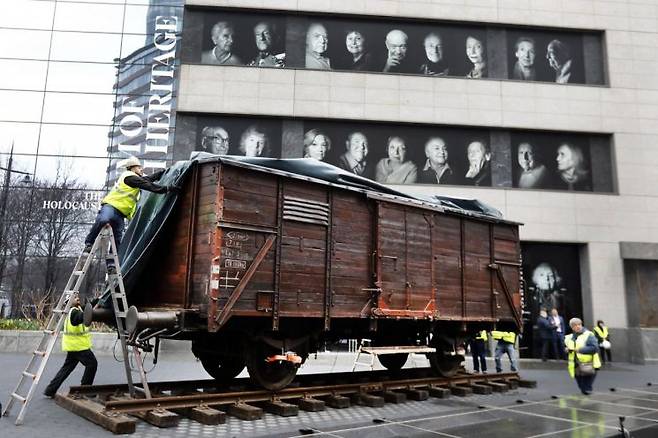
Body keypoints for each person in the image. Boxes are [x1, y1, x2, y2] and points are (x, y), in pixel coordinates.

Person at [84, 156, 174, 272]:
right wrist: (166, 189)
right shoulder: (129, 177)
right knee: (103, 220)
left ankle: (111, 265)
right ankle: (89, 243)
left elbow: (147, 180)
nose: (141, 169)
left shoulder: (134, 179)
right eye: (139, 167)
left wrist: (160, 173)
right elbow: (147, 185)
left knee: (117, 240)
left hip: (120, 214)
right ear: (132, 168)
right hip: (111, 206)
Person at [43, 294, 97, 398]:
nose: (78, 298)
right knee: (92, 364)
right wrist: (90, 313)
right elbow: (81, 317)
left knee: (66, 369)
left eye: (78, 296)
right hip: (79, 347)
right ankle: (85, 389)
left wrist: (98, 300)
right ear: (69, 302)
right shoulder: (74, 313)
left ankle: (50, 390)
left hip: (72, 346)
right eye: (75, 297)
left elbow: (87, 307)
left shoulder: (74, 310)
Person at [565, 317, 601, 395]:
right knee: (581, 386)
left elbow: (594, 348)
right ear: (572, 327)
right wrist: (567, 350)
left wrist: (579, 350)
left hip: (588, 364)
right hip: (576, 365)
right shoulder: (569, 337)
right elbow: (567, 347)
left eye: (579, 324)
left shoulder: (589, 335)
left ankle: (589, 400)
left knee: (586, 389)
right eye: (575, 325)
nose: (578, 326)